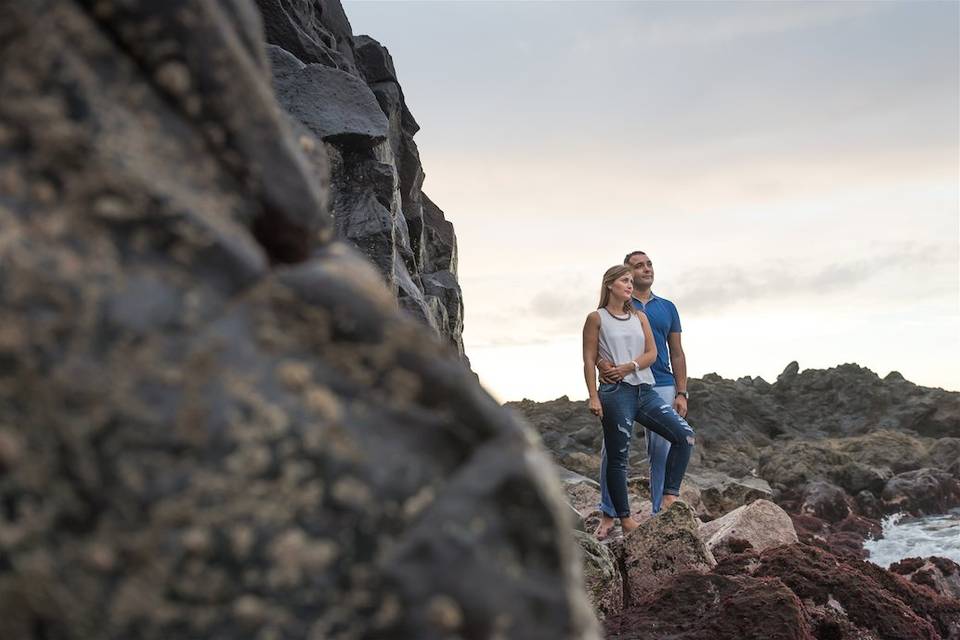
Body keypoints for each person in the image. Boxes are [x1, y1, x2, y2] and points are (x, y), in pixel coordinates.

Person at [582, 265, 696, 540]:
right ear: (610, 284)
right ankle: (624, 519)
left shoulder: (640, 317)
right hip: (614, 394)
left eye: (631, 281)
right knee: (618, 457)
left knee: (684, 435)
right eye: (624, 280)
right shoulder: (596, 318)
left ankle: (669, 497)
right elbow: (589, 357)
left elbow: (653, 353)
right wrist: (593, 396)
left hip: (644, 391)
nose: (630, 285)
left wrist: (627, 367)